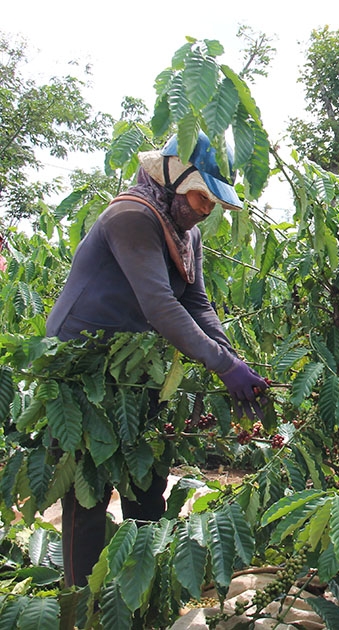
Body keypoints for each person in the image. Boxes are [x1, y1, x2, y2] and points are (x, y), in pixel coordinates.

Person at [46, 131, 269, 587]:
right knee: (87, 489)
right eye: (200, 197)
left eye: (212, 203)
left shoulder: (185, 235)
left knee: (146, 482)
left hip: (135, 369)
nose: (205, 211)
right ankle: (80, 603)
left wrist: (230, 354)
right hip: (82, 366)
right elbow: (160, 304)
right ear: (171, 178)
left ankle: (136, 597)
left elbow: (196, 302)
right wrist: (221, 366)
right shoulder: (131, 216)